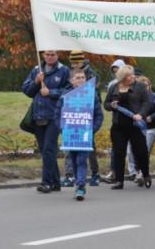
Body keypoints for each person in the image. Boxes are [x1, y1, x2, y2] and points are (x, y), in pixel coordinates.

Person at [22, 50, 71, 193]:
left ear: (57, 56)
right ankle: (56, 182)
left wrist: (51, 93)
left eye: (53, 54)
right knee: (45, 151)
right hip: (38, 115)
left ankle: (46, 182)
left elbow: (69, 91)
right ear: (43, 55)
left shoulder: (64, 71)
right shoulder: (36, 70)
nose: (50, 57)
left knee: (49, 149)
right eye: (47, 54)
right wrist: (36, 81)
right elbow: (27, 90)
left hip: (54, 116)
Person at [54, 69, 103, 201]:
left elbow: (99, 115)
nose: (81, 80)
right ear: (71, 81)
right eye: (78, 77)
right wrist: (62, 128)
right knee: (73, 160)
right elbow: (58, 115)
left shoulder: (91, 95)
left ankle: (81, 185)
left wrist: (92, 129)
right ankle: (78, 183)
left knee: (81, 160)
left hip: (85, 135)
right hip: (70, 135)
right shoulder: (65, 96)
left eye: (83, 77)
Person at [103, 65, 152, 190]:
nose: (132, 77)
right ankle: (119, 180)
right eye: (129, 75)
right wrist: (111, 105)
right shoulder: (114, 87)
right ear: (122, 77)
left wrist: (141, 114)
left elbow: (147, 102)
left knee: (141, 152)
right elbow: (106, 104)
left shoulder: (140, 87)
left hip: (135, 125)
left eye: (133, 74)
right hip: (118, 125)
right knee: (119, 153)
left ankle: (145, 174)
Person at [62, 50, 102, 187]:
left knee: (89, 148)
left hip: (86, 113)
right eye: (72, 61)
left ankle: (95, 173)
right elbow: (66, 88)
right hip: (72, 113)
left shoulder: (91, 73)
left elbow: (94, 90)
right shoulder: (68, 72)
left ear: (83, 60)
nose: (74, 64)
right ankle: (69, 175)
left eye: (77, 61)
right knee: (69, 147)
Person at [102, 58, 126, 183]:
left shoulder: (132, 82)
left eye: (119, 70)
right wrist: (111, 105)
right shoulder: (112, 85)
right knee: (116, 149)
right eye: (114, 71)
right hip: (117, 122)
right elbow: (106, 104)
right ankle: (115, 173)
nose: (117, 73)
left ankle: (138, 171)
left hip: (132, 121)